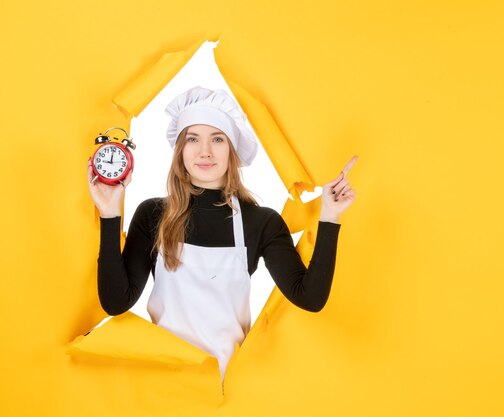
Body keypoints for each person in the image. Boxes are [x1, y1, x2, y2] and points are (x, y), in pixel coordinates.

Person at [86, 86, 357, 380]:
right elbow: (115, 302)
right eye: (193, 139)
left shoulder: (261, 222)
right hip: (162, 386)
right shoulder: (153, 214)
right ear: (180, 151)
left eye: (217, 139)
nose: (205, 151)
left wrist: (329, 216)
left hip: (227, 392)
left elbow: (310, 298)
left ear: (232, 150)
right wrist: (110, 213)